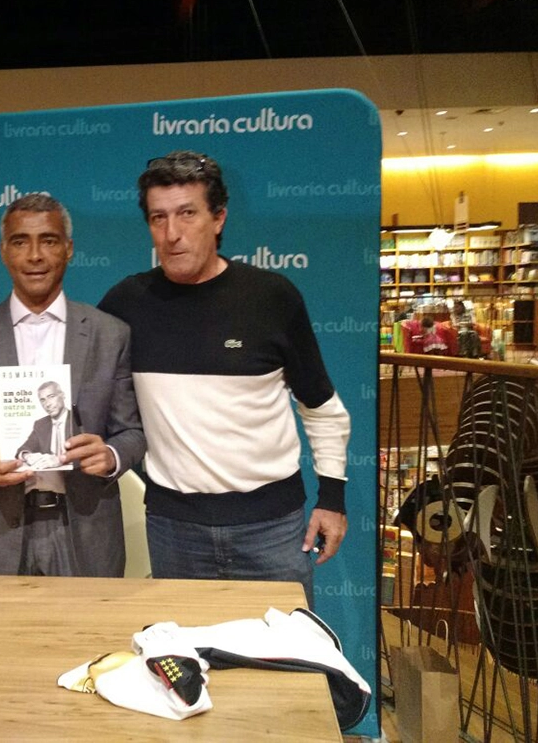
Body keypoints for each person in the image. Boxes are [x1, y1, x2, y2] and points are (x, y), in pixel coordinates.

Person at [97, 150, 351, 605]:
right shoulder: (126, 303)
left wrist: (332, 499)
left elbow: (323, 409)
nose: (172, 234)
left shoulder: (273, 297)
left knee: (282, 667)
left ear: (218, 218)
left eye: (187, 214)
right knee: (185, 667)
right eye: (158, 218)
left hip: (272, 531)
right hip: (174, 531)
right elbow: (65, 350)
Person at [0, 193, 145, 577]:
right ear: (3, 251)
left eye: (48, 240)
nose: (34, 255)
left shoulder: (110, 334)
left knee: (87, 637)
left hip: (86, 529)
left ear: (68, 249)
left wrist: (111, 455)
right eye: (20, 241)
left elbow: (132, 432)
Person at [17, 380, 74, 470]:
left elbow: (87, 451)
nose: (47, 404)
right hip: (46, 476)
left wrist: (61, 459)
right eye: (43, 400)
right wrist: (27, 456)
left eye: (51, 397)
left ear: (63, 395)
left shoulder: (76, 419)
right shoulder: (40, 424)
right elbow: (23, 448)